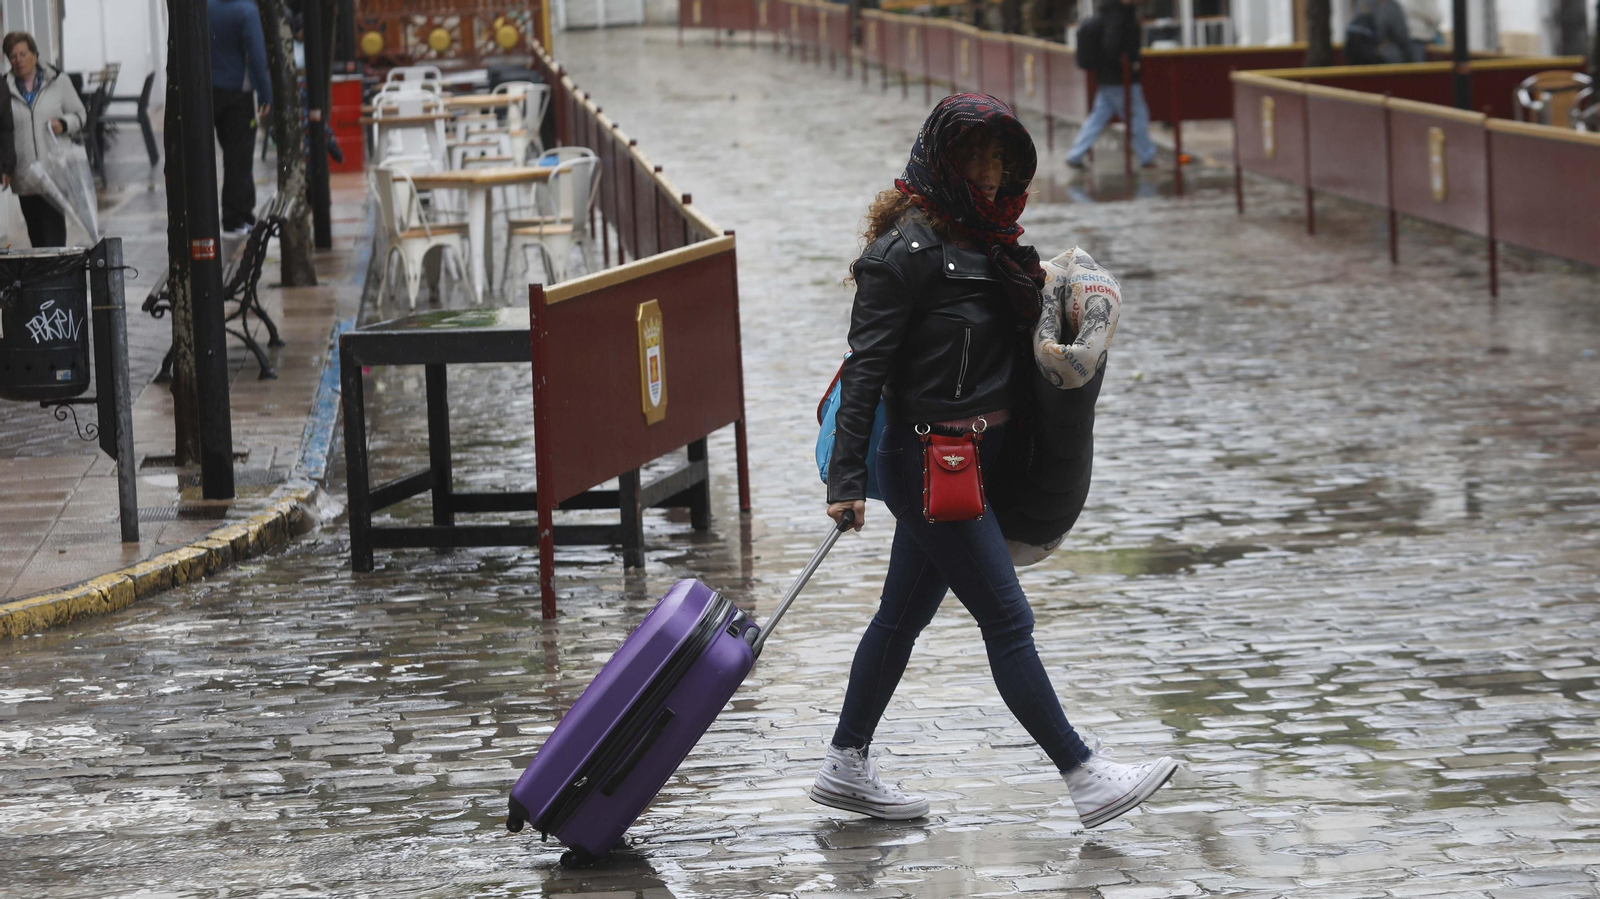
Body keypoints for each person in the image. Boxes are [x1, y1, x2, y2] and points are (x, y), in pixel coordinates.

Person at [814, 93, 1177, 829]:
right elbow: (865, 372)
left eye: (998, 157)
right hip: (931, 463)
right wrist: (843, 481)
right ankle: (1084, 773)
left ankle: (845, 763)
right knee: (1008, 618)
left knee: (898, 618)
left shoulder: (995, 246)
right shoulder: (901, 256)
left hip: (972, 458)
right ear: (940, 159)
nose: (985, 171)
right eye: (971, 155)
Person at [4, 31, 84, 248]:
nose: (18, 60)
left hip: (54, 173)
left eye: (23, 53)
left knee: (54, 238)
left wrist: (63, 123)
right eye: (13, 56)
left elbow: (80, 115)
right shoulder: (4, 89)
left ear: (35, 55)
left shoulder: (59, 81)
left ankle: (56, 278)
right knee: (37, 238)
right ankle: (47, 279)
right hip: (25, 176)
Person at [1066, 0, 1155, 170]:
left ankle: (1075, 155)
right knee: (1138, 115)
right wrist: (1129, 66)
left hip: (1107, 78)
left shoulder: (1108, 13)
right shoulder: (1120, 16)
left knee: (1098, 118)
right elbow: (1112, 46)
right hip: (1121, 80)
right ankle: (1146, 156)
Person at [208, 0, 273, 236]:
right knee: (239, 157)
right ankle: (235, 217)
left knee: (228, 154)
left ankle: (242, 213)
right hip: (238, 92)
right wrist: (266, 94)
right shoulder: (246, 10)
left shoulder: (205, 6)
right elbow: (256, 55)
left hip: (209, 92)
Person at [1346, 0, 1412, 64]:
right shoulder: (1390, 6)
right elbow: (1402, 37)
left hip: (1358, 60)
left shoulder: (1361, 5)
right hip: (1386, 59)